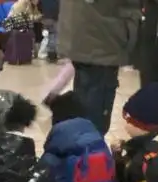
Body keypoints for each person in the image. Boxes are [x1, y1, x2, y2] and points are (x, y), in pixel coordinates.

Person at [57, 0, 141, 134]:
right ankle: (91, 150)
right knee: (95, 118)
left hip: (82, 36)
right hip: (104, 39)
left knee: (84, 105)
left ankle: (83, 147)